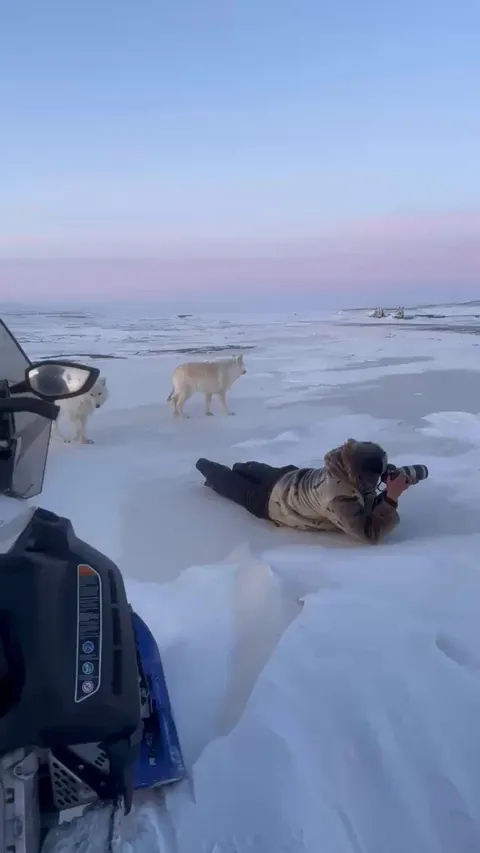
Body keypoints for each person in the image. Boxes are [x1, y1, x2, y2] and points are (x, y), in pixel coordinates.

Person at [195, 438, 410, 545]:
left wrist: (379, 479)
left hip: (290, 477)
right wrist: (390, 499)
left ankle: (237, 467)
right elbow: (369, 534)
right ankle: (203, 465)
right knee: (228, 483)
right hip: (273, 503)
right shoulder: (339, 499)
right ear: (361, 477)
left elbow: (363, 495)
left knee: (248, 468)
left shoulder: (343, 459)